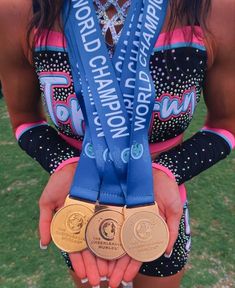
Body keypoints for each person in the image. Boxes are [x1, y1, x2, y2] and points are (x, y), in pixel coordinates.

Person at [0, 0, 234, 288]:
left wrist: (167, 172)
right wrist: (65, 165)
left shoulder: (217, 10)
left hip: (158, 211)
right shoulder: (17, 11)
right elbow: (25, 121)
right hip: (78, 210)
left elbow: (224, 126)